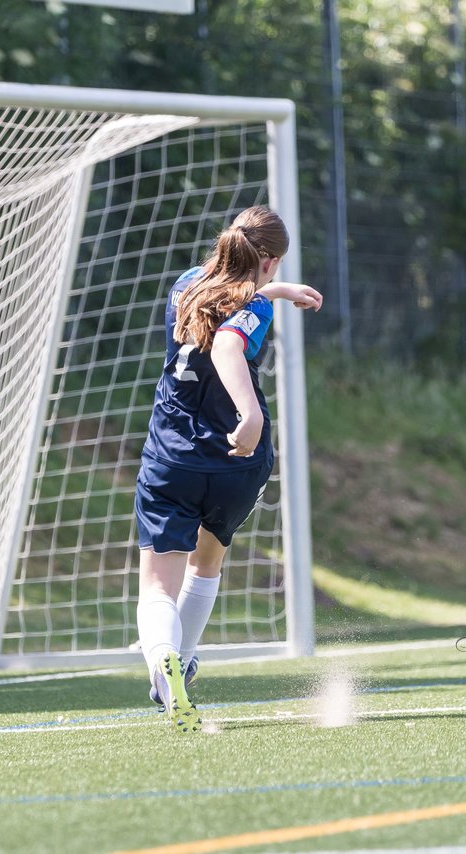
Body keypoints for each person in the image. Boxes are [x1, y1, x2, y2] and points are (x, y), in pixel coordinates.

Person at [135, 205, 321, 732]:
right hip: (235, 459)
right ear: (271, 261)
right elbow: (228, 343)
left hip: (173, 453)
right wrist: (252, 412)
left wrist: (276, 292)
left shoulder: (186, 286)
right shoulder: (254, 308)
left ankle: (164, 661)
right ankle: (181, 666)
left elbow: (222, 310)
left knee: (157, 585)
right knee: (207, 562)